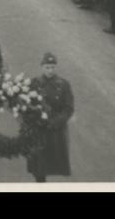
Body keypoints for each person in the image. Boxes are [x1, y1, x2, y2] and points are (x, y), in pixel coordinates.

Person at [27, 52, 74, 182]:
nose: (50, 70)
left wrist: (55, 122)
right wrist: (35, 118)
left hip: (55, 130)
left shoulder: (64, 84)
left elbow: (68, 108)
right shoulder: (34, 83)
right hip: (38, 128)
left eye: (53, 67)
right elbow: (27, 104)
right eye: (47, 67)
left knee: (52, 160)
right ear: (42, 67)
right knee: (38, 164)